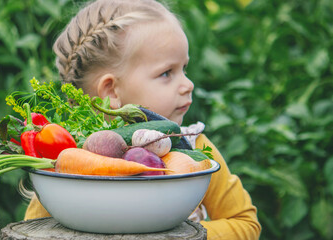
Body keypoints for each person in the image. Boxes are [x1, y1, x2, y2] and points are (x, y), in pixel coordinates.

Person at [24, 0, 262, 239]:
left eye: (184, 69)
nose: (188, 84)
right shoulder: (66, 162)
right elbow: (34, 231)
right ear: (111, 92)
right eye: (167, 72)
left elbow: (245, 224)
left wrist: (183, 236)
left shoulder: (194, 147)